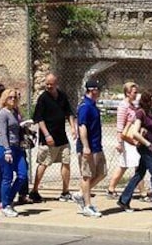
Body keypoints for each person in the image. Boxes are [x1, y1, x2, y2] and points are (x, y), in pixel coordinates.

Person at [117, 90, 152, 215]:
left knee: (139, 174)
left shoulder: (150, 113)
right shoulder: (141, 113)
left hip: (149, 147)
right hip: (145, 148)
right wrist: (148, 144)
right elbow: (135, 133)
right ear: (148, 100)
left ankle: (124, 199)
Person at [30, 73, 77, 203]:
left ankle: (65, 191)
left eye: (51, 84)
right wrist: (46, 135)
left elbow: (69, 113)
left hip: (62, 136)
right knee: (44, 163)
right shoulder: (43, 98)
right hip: (48, 138)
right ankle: (34, 190)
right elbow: (39, 119)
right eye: (47, 84)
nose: (49, 86)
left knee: (66, 162)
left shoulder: (62, 96)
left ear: (56, 83)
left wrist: (73, 127)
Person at [71, 80, 107, 218]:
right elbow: (82, 127)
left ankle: (81, 194)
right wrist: (86, 147)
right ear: (92, 90)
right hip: (88, 147)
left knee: (102, 172)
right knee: (87, 176)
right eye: (98, 89)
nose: (100, 92)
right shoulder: (85, 106)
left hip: (97, 146)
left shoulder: (93, 105)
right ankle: (87, 205)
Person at [0, 88, 29, 217]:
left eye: (15, 97)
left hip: (17, 147)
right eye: (10, 97)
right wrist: (7, 150)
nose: (13, 99)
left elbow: (16, 128)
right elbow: (3, 133)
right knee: (7, 177)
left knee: (22, 174)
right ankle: (5, 205)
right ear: (5, 99)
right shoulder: (3, 113)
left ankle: (8, 199)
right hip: (5, 148)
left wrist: (24, 125)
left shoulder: (15, 112)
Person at [106, 81, 139, 199]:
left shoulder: (133, 106)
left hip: (132, 139)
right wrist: (119, 142)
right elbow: (120, 125)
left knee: (133, 165)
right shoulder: (123, 106)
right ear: (127, 93)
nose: (136, 95)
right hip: (126, 139)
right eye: (134, 92)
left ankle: (111, 188)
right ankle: (111, 188)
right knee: (127, 165)